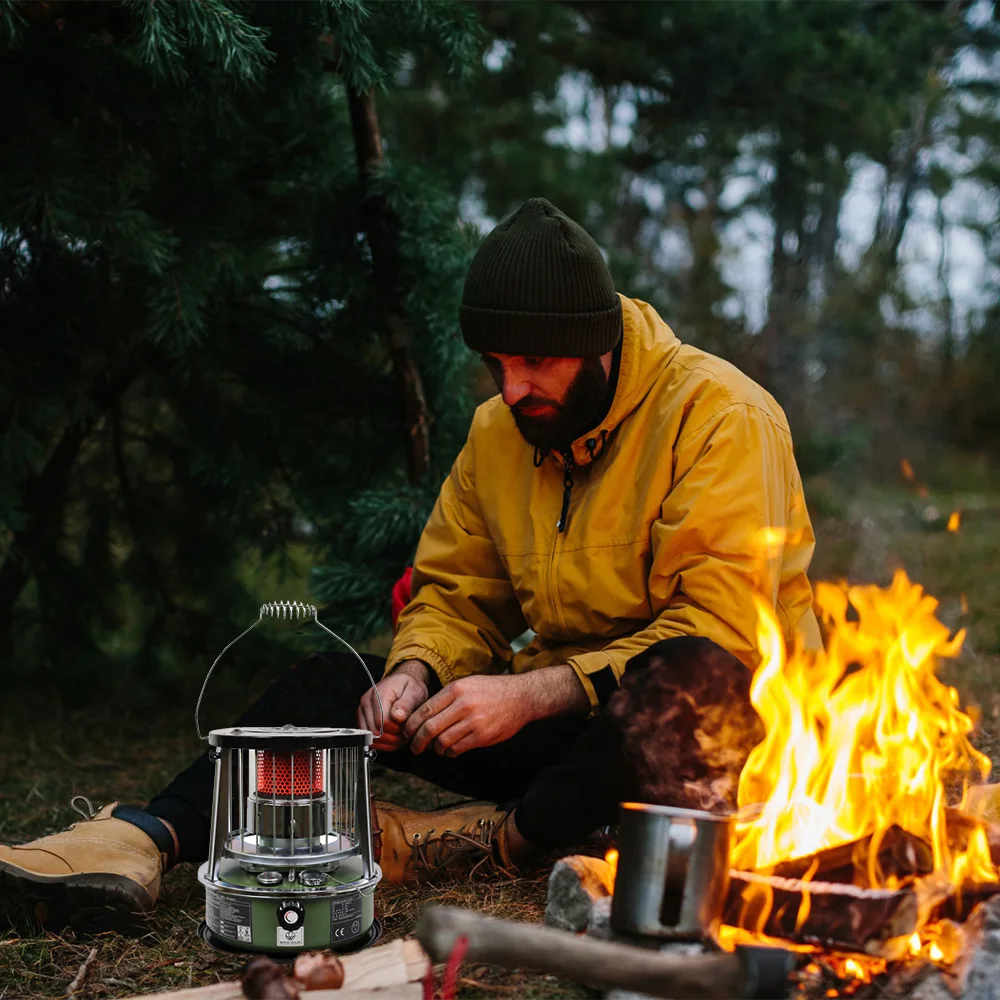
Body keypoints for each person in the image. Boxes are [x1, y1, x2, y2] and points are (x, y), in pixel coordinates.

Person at [0, 198, 820, 931]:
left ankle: (501, 842)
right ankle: (142, 837)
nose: (513, 390)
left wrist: (530, 692)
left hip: (719, 739)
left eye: (536, 362)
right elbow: (456, 593)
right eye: (496, 364)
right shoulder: (500, 433)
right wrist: (415, 672)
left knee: (691, 676)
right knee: (332, 682)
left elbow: (722, 630)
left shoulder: (721, 416)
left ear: (595, 342)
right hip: (575, 738)